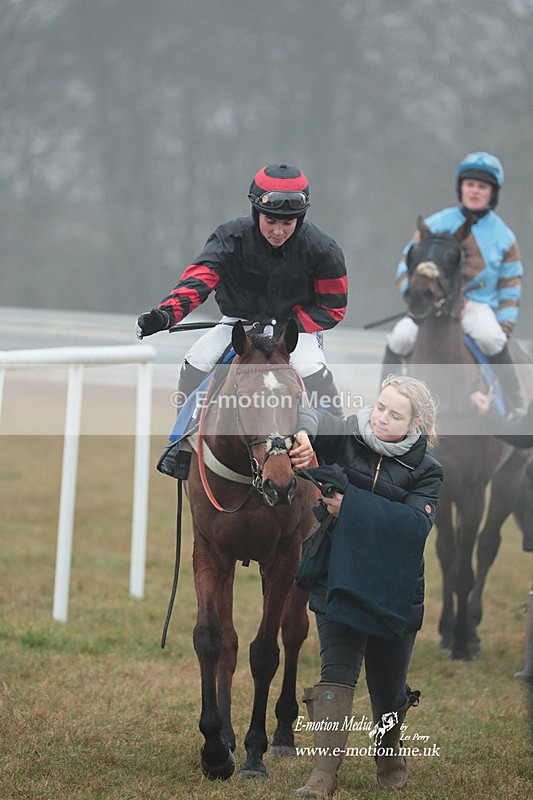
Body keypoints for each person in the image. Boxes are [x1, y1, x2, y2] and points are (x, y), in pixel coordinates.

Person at [289, 374, 443, 797]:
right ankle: (322, 776)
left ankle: (389, 749)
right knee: (334, 675)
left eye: (395, 415)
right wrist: (303, 430)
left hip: (396, 589)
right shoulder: (348, 436)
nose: (381, 418)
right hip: (337, 575)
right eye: (380, 407)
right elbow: (316, 415)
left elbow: (414, 526)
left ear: (414, 425)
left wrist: (349, 505)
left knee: (388, 688)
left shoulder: (429, 471)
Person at [136, 162, 348, 414]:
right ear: (256, 211)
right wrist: (167, 315)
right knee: (196, 360)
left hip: (295, 331)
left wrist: (288, 326)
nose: (278, 232)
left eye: (288, 223)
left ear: (299, 218)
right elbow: (198, 281)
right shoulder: (229, 238)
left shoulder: (324, 249)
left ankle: (336, 442)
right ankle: (180, 443)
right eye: (270, 221)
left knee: (311, 369)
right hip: (239, 323)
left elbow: (332, 308)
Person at [384, 151, 525, 419]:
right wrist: (414, 297)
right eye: (470, 184)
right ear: (460, 187)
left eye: (482, 186)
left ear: (493, 193)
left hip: (476, 307)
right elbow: (406, 264)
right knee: (399, 337)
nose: (475, 191)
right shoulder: (434, 224)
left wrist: (505, 324)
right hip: (429, 305)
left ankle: (515, 405)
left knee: (492, 338)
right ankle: (383, 401)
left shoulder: (504, 237)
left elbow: (510, 285)